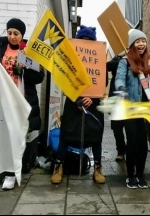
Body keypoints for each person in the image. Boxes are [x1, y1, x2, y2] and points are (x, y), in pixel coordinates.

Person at [0, 18, 45, 190]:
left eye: (16, 33)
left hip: (18, 100)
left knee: (12, 137)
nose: (12, 37)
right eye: (10, 33)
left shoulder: (28, 52)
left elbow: (39, 77)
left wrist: (24, 71)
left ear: (22, 35)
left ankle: (10, 173)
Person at [50, 25, 106, 184]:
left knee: (95, 135)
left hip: (94, 104)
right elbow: (66, 80)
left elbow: (102, 81)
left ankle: (98, 168)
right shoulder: (70, 59)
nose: (86, 43)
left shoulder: (99, 58)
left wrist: (92, 98)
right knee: (66, 134)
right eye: (83, 40)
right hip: (73, 102)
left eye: (89, 41)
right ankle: (58, 166)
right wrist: (77, 99)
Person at [115, 29, 150, 189]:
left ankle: (141, 174)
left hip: (148, 109)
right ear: (132, 44)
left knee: (143, 143)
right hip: (131, 108)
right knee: (132, 142)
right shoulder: (125, 62)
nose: (141, 44)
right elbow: (119, 78)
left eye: (143, 41)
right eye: (137, 41)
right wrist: (121, 89)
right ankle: (130, 175)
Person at [107, 51, 127, 161]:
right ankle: (121, 151)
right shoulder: (118, 58)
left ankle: (130, 150)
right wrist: (122, 59)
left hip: (129, 99)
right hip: (115, 100)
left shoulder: (136, 57)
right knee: (117, 128)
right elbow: (108, 66)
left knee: (131, 129)